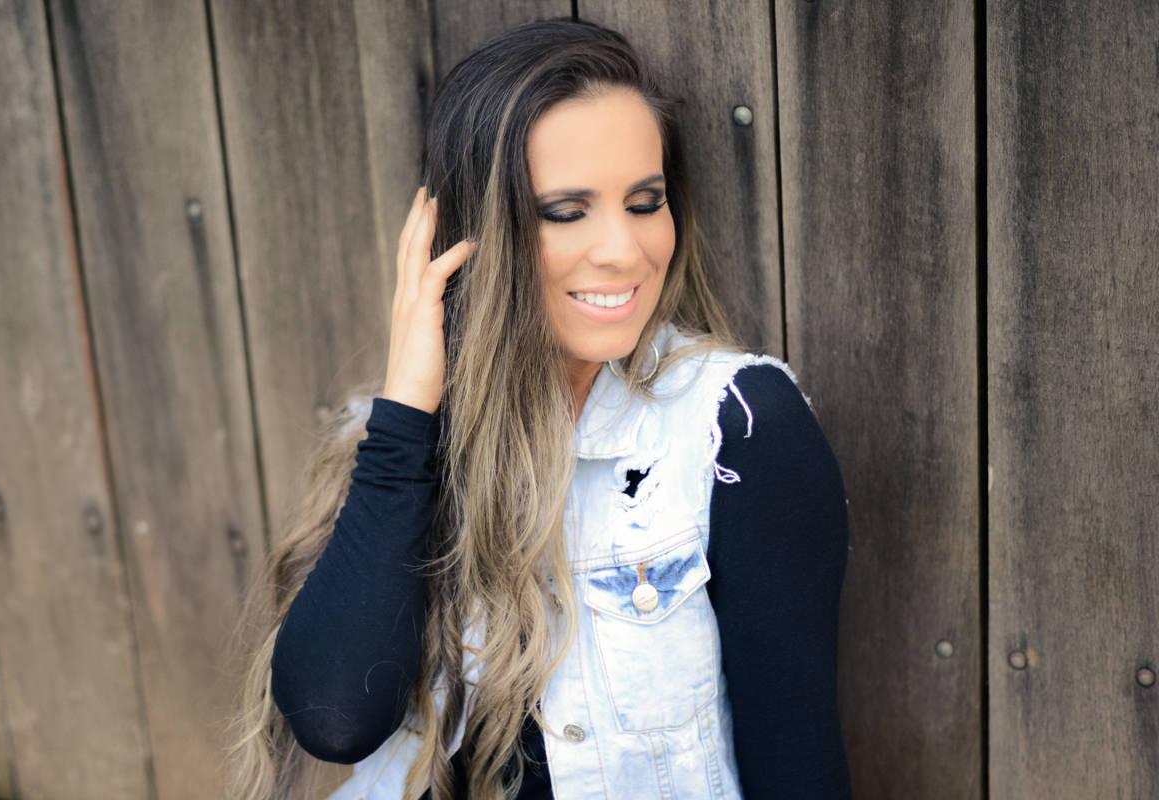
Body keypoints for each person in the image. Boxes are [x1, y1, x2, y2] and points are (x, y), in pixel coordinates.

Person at [224, 17, 851, 800]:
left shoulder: (736, 429)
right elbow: (335, 717)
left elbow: (798, 763)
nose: (623, 250)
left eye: (645, 201)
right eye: (566, 210)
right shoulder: (399, 445)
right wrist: (409, 408)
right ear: (473, 234)